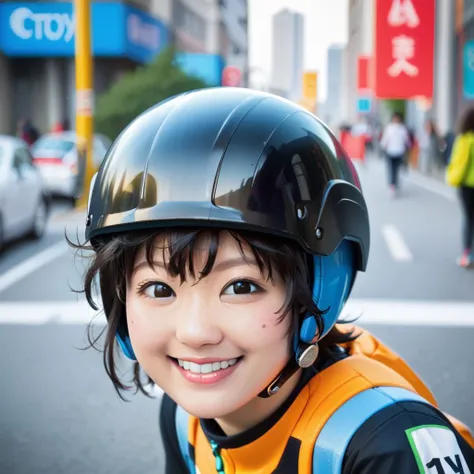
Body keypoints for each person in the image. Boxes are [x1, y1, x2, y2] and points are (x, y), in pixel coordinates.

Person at [78, 88, 474, 473]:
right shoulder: (184, 419)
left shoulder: (382, 446)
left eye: (241, 286)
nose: (195, 333)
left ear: (319, 292)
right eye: (158, 289)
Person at [446, 107, 474, 268]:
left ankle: (467, 254)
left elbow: (460, 164)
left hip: (467, 186)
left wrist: (452, 178)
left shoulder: (465, 140)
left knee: (469, 220)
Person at [380, 112, 411, 196]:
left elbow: (406, 140)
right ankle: (392, 184)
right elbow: (385, 139)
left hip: (399, 152)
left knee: (396, 169)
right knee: (391, 169)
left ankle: (395, 183)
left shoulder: (402, 128)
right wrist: (383, 147)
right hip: (390, 152)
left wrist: (408, 146)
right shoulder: (389, 128)